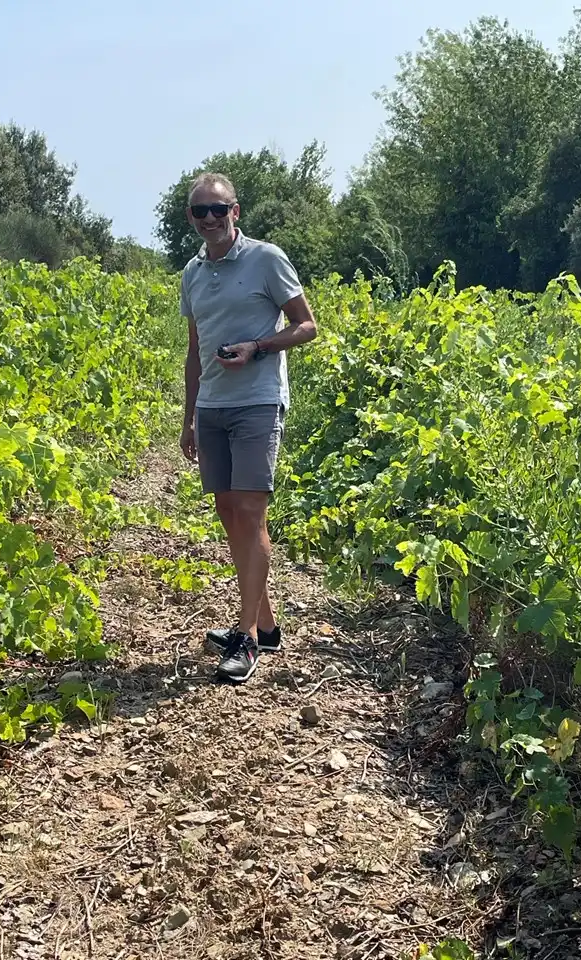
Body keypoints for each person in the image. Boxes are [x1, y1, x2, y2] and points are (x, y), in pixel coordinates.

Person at [179, 172, 317, 683]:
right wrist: (189, 417)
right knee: (228, 511)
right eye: (201, 211)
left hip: (257, 401)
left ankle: (247, 637)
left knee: (251, 511)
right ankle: (267, 625)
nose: (211, 218)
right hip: (213, 405)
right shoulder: (192, 273)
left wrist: (258, 347)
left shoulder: (266, 258)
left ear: (236, 212)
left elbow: (307, 325)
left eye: (220, 209)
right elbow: (194, 352)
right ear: (191, 217)